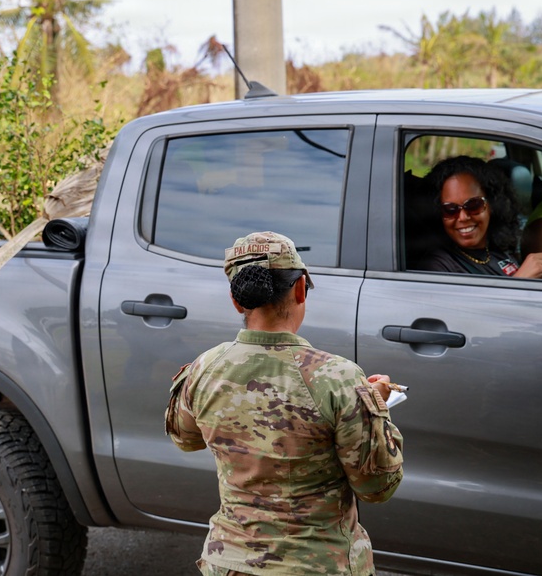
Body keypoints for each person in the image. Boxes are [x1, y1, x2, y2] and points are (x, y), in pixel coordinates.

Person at [165, 231, 404, 576]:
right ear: (300, 289)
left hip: (229, 563)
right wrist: (375, 407)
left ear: (237, 301)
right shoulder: (338, 378)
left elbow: (185, 439)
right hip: (317, 566)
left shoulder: (204, 369)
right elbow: (378, 486)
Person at [413, 156, 542, 278]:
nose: (463, 217)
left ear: (492, 205)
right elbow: (460, 314)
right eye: (450, 209)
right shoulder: (437, 267)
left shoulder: (496, 248)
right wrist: (520, 280)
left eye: (473, 205)